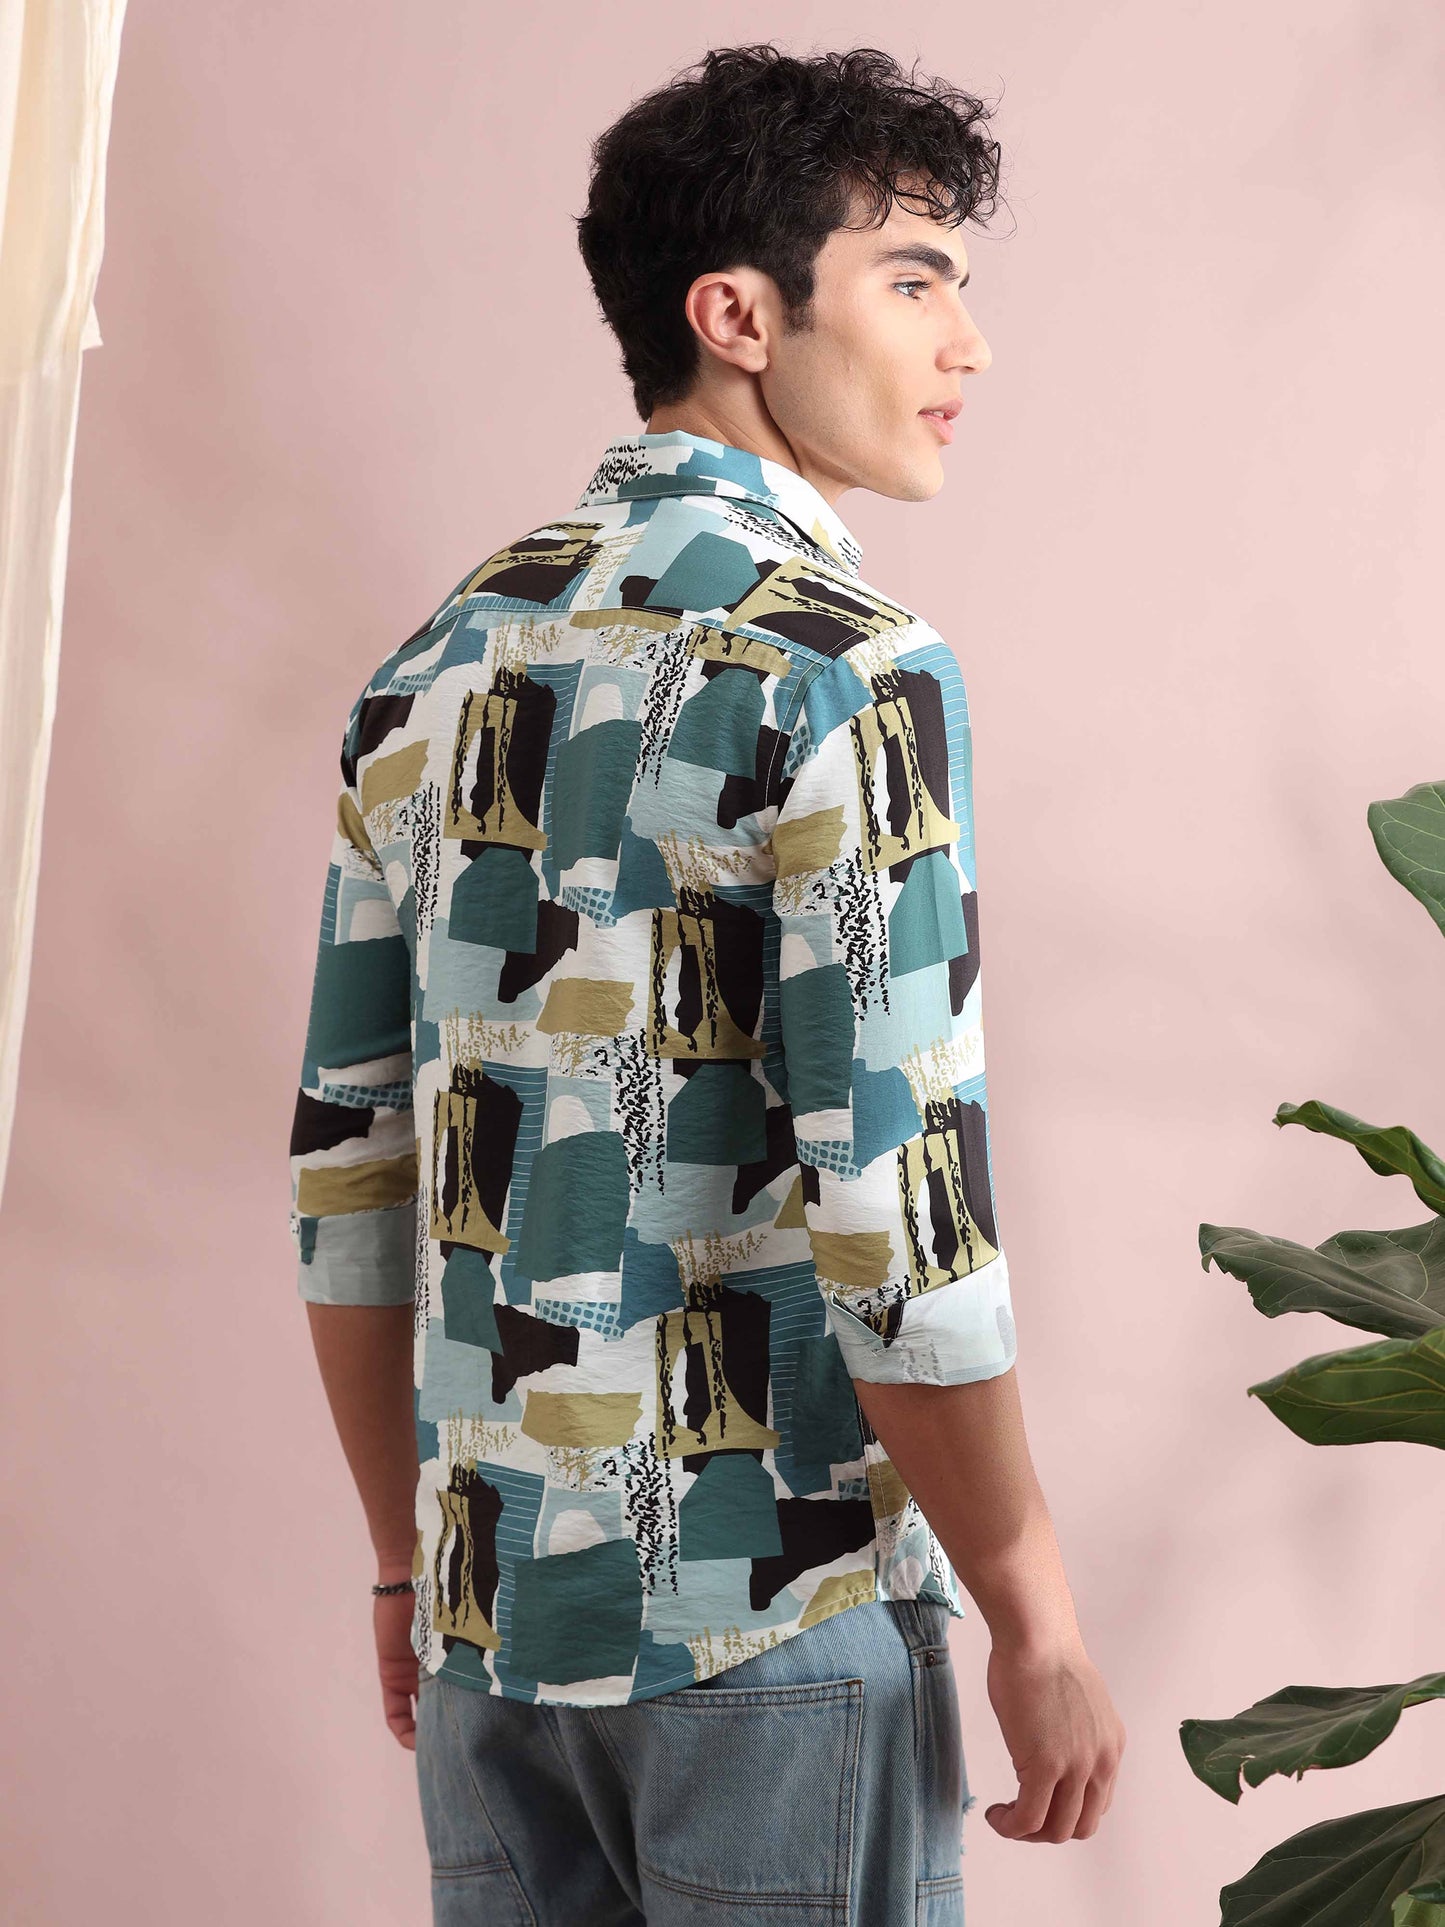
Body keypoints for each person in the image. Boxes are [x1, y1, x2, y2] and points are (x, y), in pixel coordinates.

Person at [288, 42, 1125, 1927]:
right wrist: (1035, 1618)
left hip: (491, 1623)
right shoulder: (845, 667)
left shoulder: (439, 659)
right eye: (912, 281)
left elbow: (348, 1170)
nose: (968, 345)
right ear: (737, 315)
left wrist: (403, 1566)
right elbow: (894, 1216)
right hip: (770, 1617)